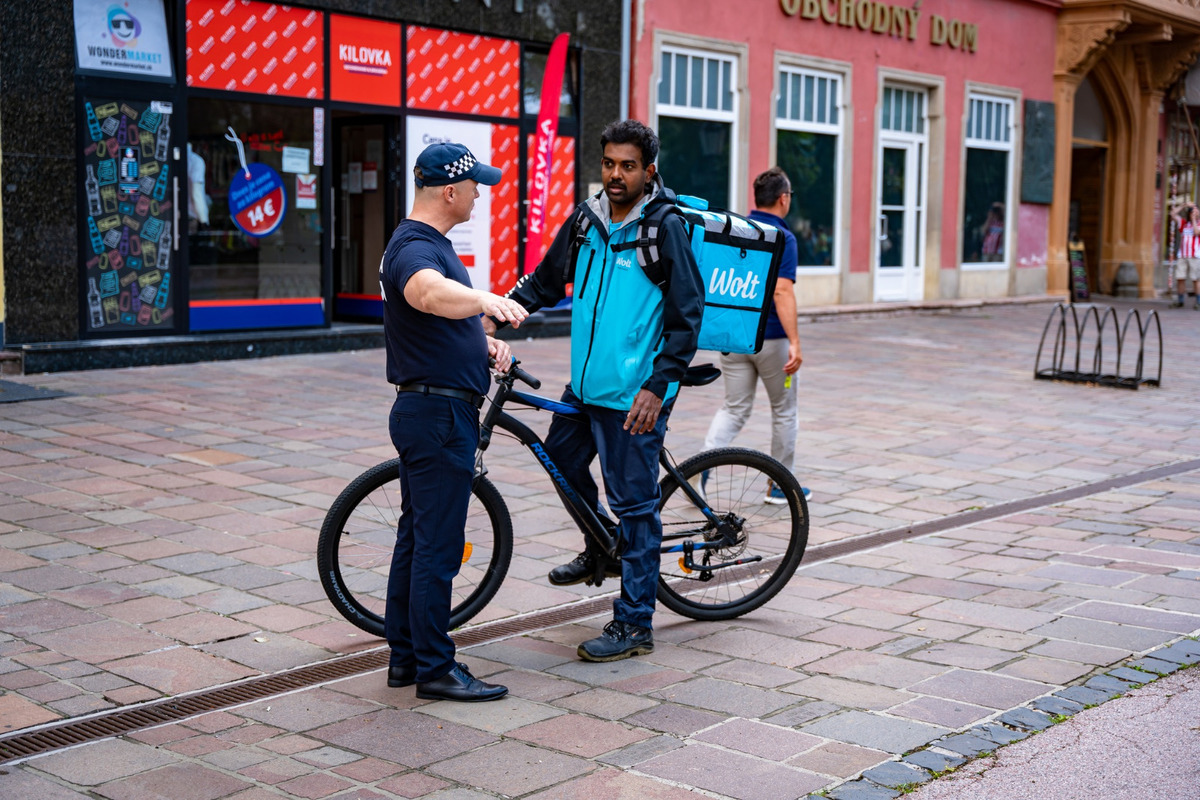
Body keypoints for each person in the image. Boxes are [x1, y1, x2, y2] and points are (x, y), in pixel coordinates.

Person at [485, 120, 704, 662]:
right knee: (560, 460)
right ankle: (601, 547)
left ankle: (635, 624)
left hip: (635, 394)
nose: (615, 174)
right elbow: (543, 281)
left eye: (627, 165)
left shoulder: (663, 228)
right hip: (585, 387)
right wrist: (494, 317)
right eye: (609, 163)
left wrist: (659, 386)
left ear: (648, 170)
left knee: (635, 505)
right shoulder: (587, 221)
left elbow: (687, 315)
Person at [379, 142, 528, 701]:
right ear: (450, 191)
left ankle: (406, 659)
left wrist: (480, 344)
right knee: (437, 548)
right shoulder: (414, 248)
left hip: (432, 407)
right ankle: (437, 670)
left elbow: (435, 319)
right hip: (439, 415)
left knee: (417, 540)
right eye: (475, 186)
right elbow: (426, 293)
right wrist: (484, 297)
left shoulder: (423, 242)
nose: (479, 195)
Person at [702, 167, 809, 504]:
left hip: (733, 336)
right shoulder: (783, 238)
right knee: (784, 410)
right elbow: (781, 291)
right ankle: (780, 486)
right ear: (784, 198)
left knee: (733, 408)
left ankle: (697, 472)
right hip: (772, 340)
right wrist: (795, 341)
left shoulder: (739, 230)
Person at [1173, 204, 1200, 308]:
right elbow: (1173, 214)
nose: (1194, 213)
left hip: (1195, 256)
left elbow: (1197, 232)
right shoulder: (1183, 224)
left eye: (1196, 211)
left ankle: (1198, 302)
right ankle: (1180, 301)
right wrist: (1184, 205)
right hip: (1182, 255)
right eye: (1192, 211)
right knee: (1180, 278)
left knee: (1196, 279)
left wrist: (1193, 220)